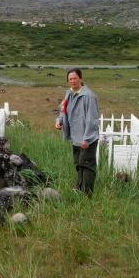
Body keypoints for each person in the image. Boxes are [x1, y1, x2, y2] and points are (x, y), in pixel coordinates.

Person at [55, 68, 99, 196]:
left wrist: (87, 139)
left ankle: (87, 195)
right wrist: (59, 121)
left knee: (87, 166)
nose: (73, 81)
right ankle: (79, 190)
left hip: (86, 139)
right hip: (75, 137)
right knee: (79, 164)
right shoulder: (68, 94)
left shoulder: (88, 96)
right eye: (70, 79)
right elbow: (64, 111)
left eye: (75, 78)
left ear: (80, 78)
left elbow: (92, 119)